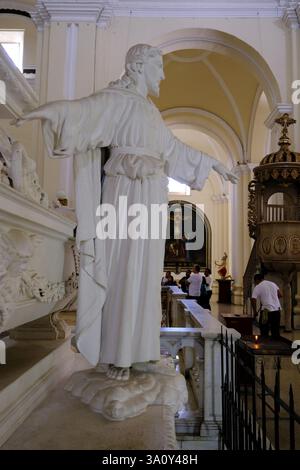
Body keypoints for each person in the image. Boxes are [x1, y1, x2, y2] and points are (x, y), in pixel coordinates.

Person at [15, 44, 238, 381]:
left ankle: (142, 352)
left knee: (146, 275)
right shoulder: (116, 100)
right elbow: (78, 114)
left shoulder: (150, 112)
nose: (163, 74)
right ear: (137, 66)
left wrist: (216, 164)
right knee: (122, 270)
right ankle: (117, 354)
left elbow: (175, 150)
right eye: (158, 67)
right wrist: (42, 111)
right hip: (124, 195)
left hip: (150, 195)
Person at [251, 273, 282, 339]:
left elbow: (253, 299)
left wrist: (255, 311)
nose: (255, 283)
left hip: (266, 311)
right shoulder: (273, 284)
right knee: (275, 329)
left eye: (255, 281)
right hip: (277, 310)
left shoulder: (258, 286)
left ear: (257, 280)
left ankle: (265, 346)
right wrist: (273, 300)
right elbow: (280, 295)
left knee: (264, 329)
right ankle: (276, 345)